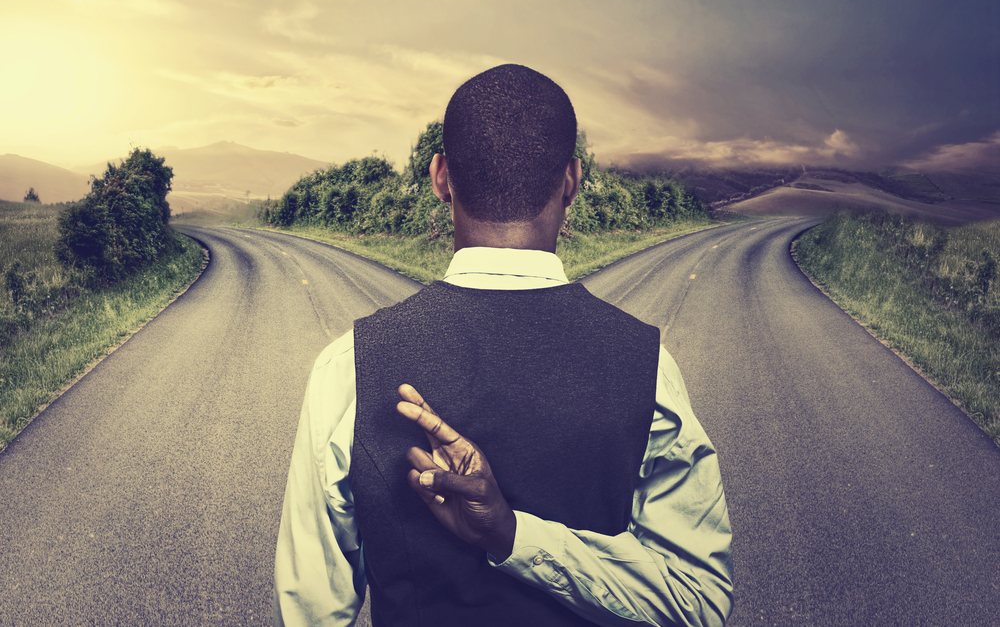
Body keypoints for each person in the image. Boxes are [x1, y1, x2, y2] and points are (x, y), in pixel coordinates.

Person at [273, 64, 733, 627]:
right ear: (572, 180)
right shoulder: (647, 367)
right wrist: (521, 540)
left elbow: (310, 615)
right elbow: (699, 602)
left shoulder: (348, 366)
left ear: (441, 177)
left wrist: (511, 532)